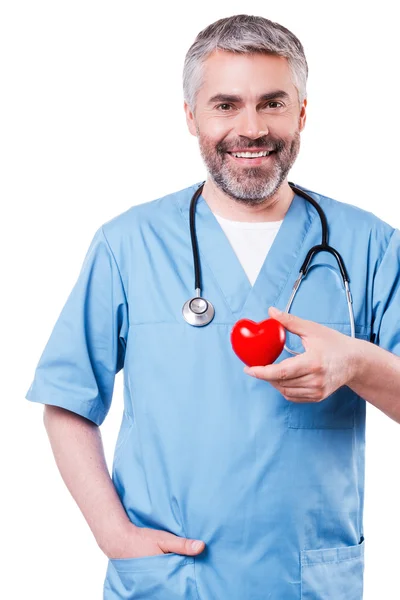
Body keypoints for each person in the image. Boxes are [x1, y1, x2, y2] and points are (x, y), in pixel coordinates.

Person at [25, 13, 400, 600]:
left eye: (273, 103)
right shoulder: (128, 243)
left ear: (301, 113)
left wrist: (358, 364)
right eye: (226, 105)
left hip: (304, 581)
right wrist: (112, 533)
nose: (251, 128)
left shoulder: (370, 245)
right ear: (191, 116)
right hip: (169, 582)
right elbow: (67, 402)